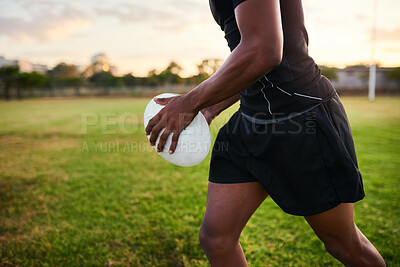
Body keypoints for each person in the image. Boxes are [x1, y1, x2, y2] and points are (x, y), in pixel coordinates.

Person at [145, 0, 386, 265]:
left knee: (344, 244)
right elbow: (249, 55)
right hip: (249, 121)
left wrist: (191, 101)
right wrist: (210, 108)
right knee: (217, 238)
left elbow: (264, 50)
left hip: (299, 118)